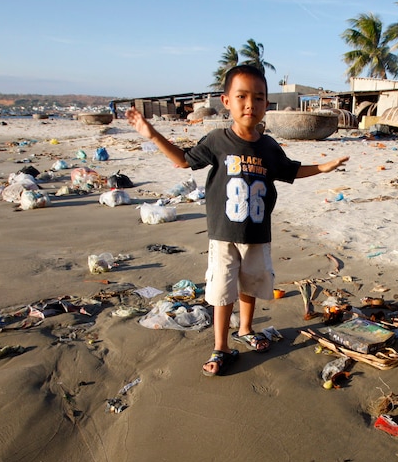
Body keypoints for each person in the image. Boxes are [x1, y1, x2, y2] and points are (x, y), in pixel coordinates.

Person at [127, 65, 349, 376]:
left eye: (258, 98)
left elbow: (290, 171)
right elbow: (182, 160)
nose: (250, 105)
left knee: (250, 284)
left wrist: (323, 167)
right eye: (242, 96)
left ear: (266, 104)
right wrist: (152, 135)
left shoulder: (269, 146)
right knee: (222, 290)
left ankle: (245, 329)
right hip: (223, 234)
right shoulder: (217, 140)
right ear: (226, 101)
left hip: (257, 234)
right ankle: (221, 346)